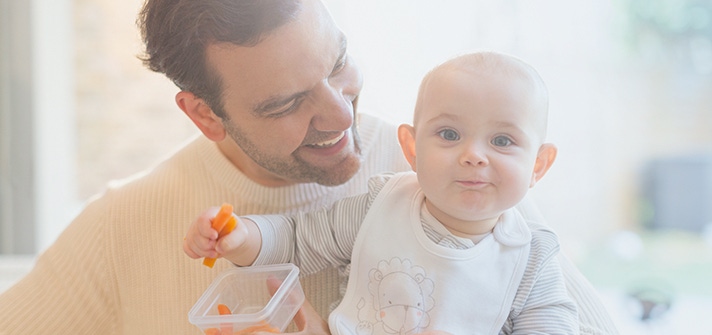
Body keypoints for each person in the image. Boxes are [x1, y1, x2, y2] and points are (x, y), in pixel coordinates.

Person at [0, 0, 618, 334]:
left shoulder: (462, 186)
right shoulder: (124, 223)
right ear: (204, 115)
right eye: (288, 102)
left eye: (338, 63)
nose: (338, 114)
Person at [185, 51, 578, 334]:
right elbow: (295, 239)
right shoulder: (380, 206)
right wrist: (240, 237)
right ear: (410, 148)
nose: (473, 155)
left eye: (503, 140)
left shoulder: (532, 257)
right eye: (449, 134)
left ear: (538, 166)